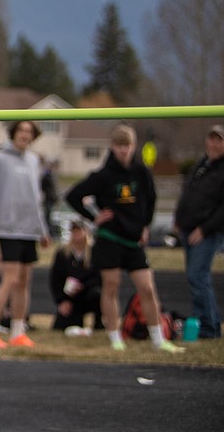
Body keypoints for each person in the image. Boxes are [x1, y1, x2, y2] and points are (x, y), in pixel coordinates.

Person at [65, 124, 183, 353]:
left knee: (147, 288)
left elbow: (151, 200)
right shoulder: (103, 175)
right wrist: (95, 217)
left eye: (127, 145)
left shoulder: (141, 172)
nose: (123, 150)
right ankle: (114, 336)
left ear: (134, 146)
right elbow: (73, 195)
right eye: (119, 146)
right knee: (111, 287)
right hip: (110, 238)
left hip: (133, 240)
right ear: (112, 147)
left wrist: (145, 226)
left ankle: (159, 338)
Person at [0, 120, 52, 348]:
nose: (25, 135)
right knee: (10, 279)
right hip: (8, 228)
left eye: (29, 131)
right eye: (21, 130)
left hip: (29, 231)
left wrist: (42, 230)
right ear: (13, 133)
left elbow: (37, 200)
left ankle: (18, 330)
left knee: (24, 281)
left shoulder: (34, 160)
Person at [173, 125, 224, 340]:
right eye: (211, 139)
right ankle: (205, 322)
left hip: (207, 232)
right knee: (195, 278)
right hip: (188, 229)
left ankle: (209, 327)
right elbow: (189, 194)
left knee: (198, 275)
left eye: (219, 140)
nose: (213, 144)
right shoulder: (202, 164)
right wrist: (178, 220)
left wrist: (204, 229)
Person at [48, 220, 103, 332]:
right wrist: (62, 300)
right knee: (60, 327)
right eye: (74, 231)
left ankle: (99, 322)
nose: (76, 234)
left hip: (89, 293)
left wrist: (83, 286)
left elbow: (99, 277)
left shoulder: (94, 252)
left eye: (79, 231)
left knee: (97, 295)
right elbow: (55, 279)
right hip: (70, 296)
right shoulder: (63, 253)